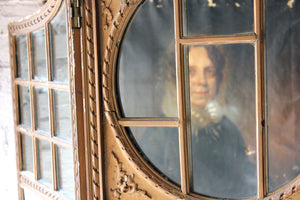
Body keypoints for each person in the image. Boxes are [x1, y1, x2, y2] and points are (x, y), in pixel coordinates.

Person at [134, 45, 257, 198]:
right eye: (190, 72)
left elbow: (243, 176)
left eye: (209, 72)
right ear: (175, 77)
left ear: (218, 78)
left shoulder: (226, 128)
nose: (202, 82)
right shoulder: (158, 134)